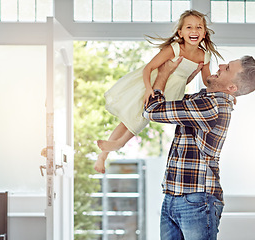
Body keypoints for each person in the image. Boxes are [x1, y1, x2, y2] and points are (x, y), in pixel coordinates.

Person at [143, 55, 255, 240]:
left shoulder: (211, 107)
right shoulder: (206, 100)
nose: (221, 65)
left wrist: (163, 74)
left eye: (228, 68)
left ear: (232, 88)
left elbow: (152, 110)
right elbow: (181, 99)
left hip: (196, 199)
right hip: (176, 195)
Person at [94, 10, 223, 173]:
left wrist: (223, 89)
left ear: (204, 33)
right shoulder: (175, 49)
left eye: (199, 27)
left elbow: (207, 81)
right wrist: (149, 88)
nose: (194, 31)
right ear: (181, 33)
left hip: (171, 92)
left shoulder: (204, 56)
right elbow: (149, 68)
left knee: (134, 119)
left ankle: (103, 156)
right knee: (137, 118)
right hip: (153, 85)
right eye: (189, 27)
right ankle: (116, 146)